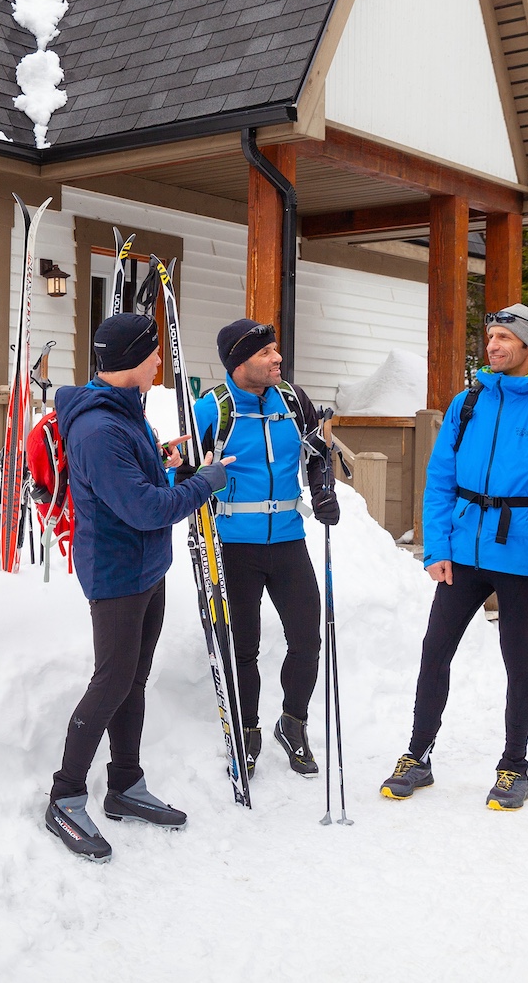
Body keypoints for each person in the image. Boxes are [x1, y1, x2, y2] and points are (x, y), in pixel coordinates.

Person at [380, 302, 528, 810]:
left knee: (518, 664)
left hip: (522, 558)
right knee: (435, 653)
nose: (493, 345)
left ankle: (513, 766)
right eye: (491, 335)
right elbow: (440, 480)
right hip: (464, 550)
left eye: (504, 337)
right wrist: (437, 547)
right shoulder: (467, 403)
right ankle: (418, 755)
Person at [44, 312, 232, 863]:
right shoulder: (100, 429)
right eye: (153, 355)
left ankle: (124, 784)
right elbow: (146, 509)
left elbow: (140, 486)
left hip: (147, 569)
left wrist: (166, 461)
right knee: (113, 680)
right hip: (117, 573)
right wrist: (204, 482)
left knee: (134, 678)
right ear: (132, 361)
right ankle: (64, 795)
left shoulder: (127, 415)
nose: (159, 363)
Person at [191, 318, 340, 781]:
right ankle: (247, 731)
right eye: (265, 353)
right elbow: (184, 470)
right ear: (240, 363)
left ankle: (292, 723)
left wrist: (323, 492)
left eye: (276, 350)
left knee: (308, 639)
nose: (277, 359)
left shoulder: (294, 402)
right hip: (235, 546)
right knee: (243, 648)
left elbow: (318, 453)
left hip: (289, 540)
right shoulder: (212, 409)